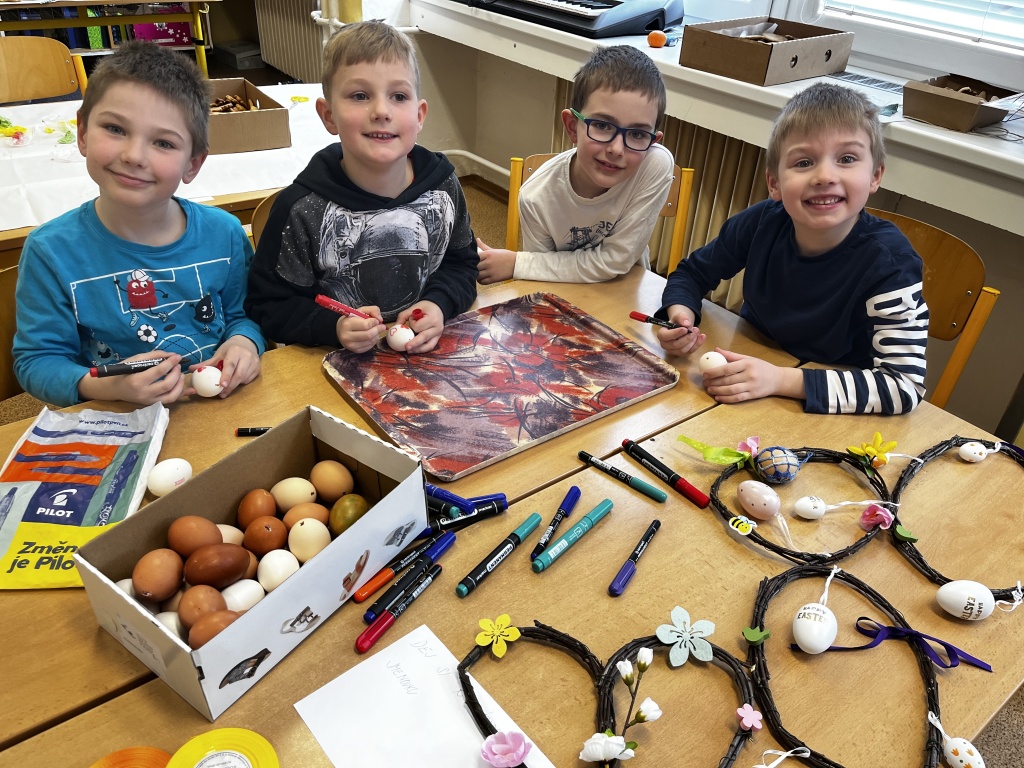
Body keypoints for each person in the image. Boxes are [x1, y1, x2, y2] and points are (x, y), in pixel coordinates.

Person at [14, 41, 264, 408]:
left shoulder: (225, 233)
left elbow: (245, 315)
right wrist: (106, 387)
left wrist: (245, 341)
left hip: (218, 411)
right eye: (115, 128)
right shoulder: (50, 251)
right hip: (116, 418)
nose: (133, 156)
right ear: (82, 133)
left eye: (163, 142)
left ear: (193, 164)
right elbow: (37, 361)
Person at [656, 82, 928, 415]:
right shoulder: (763, 221)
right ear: (774, 183)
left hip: (827, 407)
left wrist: (780, 380)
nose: (824, 176)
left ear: (875, 175)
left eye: (846, 158)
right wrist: (679, 315)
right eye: (803, 162)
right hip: (754, 378)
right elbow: (692, 273)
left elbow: (904, 386)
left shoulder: (890, 263)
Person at [245, 21, 478, 354]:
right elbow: (268, 305)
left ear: (419, 115)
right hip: (332, 363)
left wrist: (439, 303)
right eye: (360, 96)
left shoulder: (443, 186)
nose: (381, 111)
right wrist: (333, 327)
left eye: (399, 96)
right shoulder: (301, 209)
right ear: (328, 116)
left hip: (429, 354)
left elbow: (462, 265)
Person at [476, 45, 674, 284]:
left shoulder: (654, 165)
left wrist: (519, 263)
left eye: (637, 134)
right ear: (572, 127)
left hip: (626, 292)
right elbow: (541, 276)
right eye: (602, 126)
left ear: (652, 141)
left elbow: (617, 261)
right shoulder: (536, 197)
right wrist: (527, 266)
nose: (616, 149)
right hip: (567, 296)